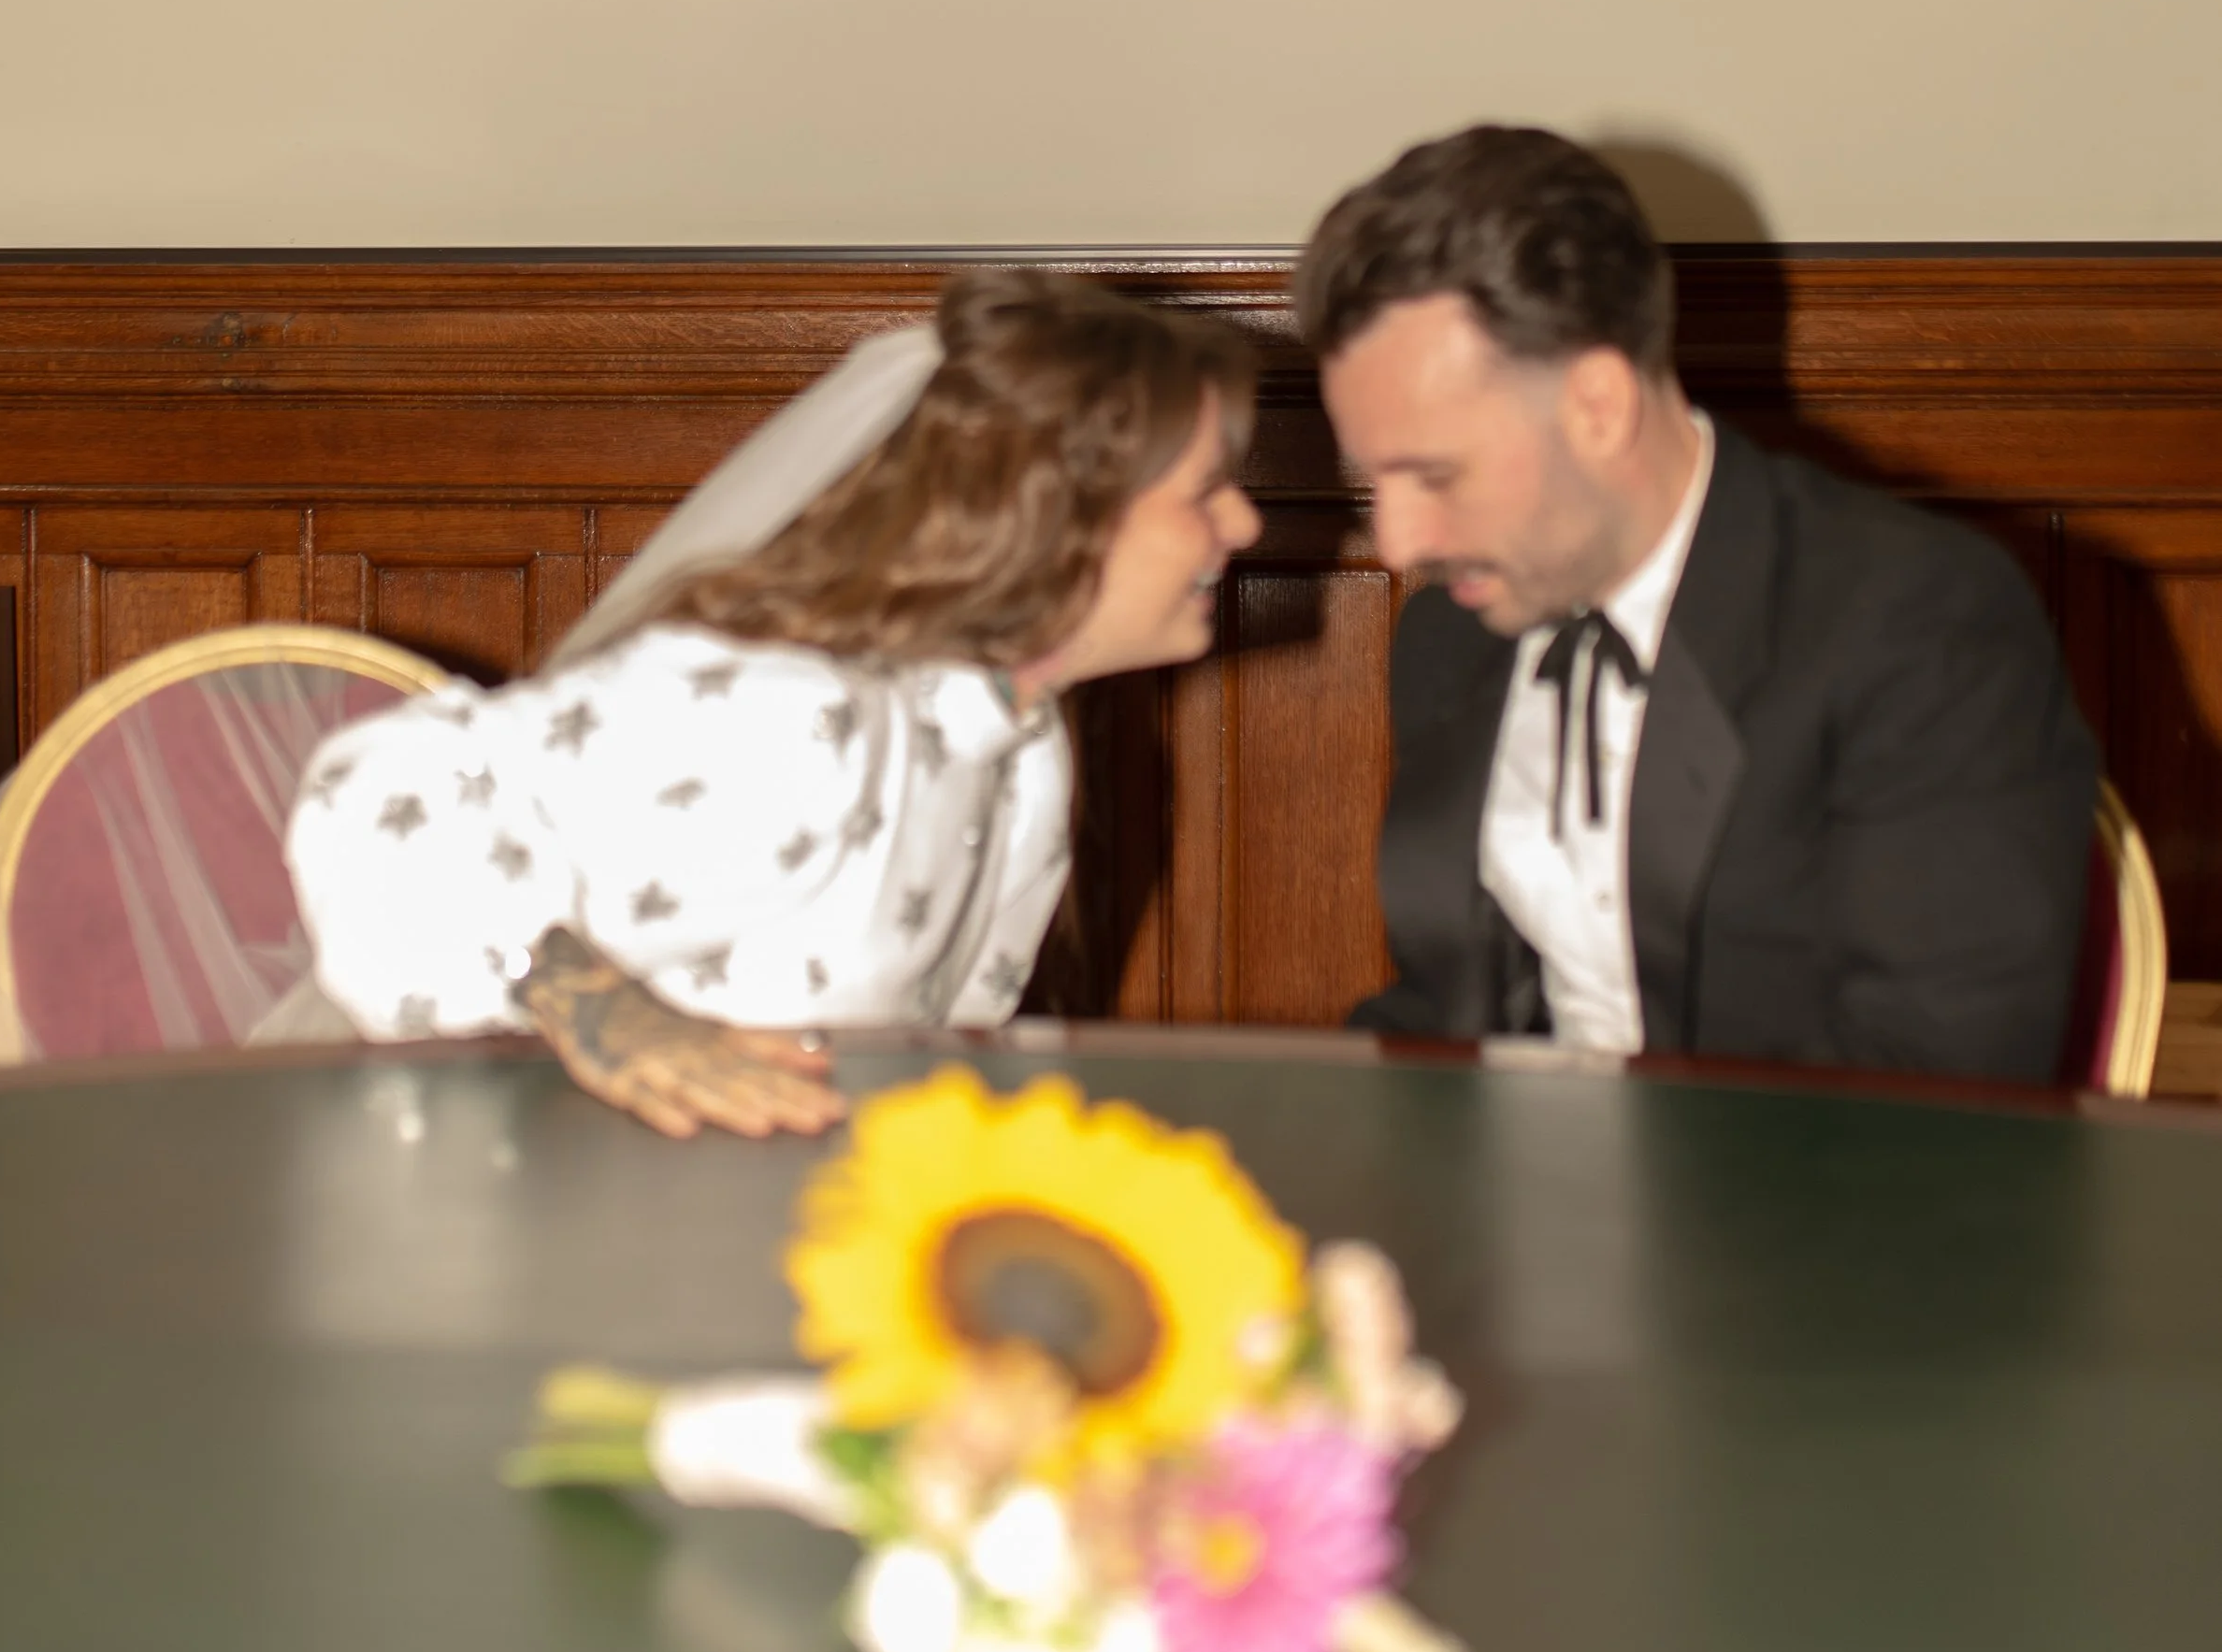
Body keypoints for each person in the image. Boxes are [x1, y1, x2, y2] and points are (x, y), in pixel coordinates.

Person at [285, 269, 1262, 1135]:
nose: (1245, 524)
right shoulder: (795, 719)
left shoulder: (1028, 744)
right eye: (1207, 491)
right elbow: (377, 797)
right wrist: (599, 1008)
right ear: (1060, 517)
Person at [1297, 127, 2098, 1083]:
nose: (1398, 544)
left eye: (1434, 474)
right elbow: (1442, 1013)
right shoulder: (1453, 636)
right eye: (1374, 483)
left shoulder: (1919, 622)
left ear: (1597, 404)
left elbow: (1935, 1088)